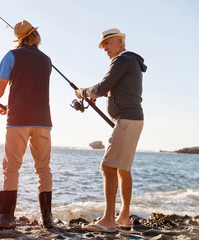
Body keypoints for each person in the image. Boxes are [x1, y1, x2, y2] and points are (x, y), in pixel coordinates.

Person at [0, 20, 54, 230]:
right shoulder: (47, 60)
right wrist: (10, 106)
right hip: (43, 121)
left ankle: (6, 217)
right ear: (35, 36)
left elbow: (0, 89)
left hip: (19, 121)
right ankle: (47, 219)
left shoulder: (11, 55)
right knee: (43, 169)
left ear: (19, 38)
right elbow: (32, 88)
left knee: (12, 166)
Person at [75, 28, 147, 233]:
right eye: (103, 45)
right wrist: (99, 95)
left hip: (126, 121)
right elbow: (114, 88)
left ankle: (108, 220)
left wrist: (83, 93)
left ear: (119, 42)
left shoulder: (122, 60)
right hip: (134, 119)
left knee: (107, 167)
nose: (105, 48)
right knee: (123, 169)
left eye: (107, 43)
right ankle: (124, 217)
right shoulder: (131, 62)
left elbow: (103, 86)